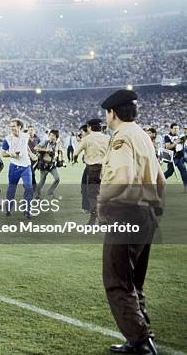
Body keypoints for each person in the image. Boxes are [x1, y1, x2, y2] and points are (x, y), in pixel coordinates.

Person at [98, 89, 164, 355]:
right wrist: (155, 208)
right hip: (145, 213)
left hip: (125, 214)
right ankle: (140, 336)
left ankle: (141, 342)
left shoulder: (122, 137)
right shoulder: (143, 136)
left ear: (112, 113)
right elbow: (159, 178)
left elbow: (123, 177)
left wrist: (102, 201)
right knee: (133, 281)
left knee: (118, 281)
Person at [73, 118, 110, 225]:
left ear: (89, 127)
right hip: (106, 169)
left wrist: (75, 160)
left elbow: (76, 153)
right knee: (103, 194)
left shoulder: (87, 139)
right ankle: (99, 219)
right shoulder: (107, 138)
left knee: (93, 195)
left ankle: (96, 219)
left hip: (93, 169)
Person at [1, 119, 35, 218]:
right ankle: (8, 209)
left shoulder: (26, 135)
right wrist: (11, 154)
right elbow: (3, 153)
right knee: (11, 189)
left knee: (29, 188)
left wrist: (31, 154)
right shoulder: (7, 139)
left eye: (14, 126)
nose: (12, 128)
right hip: (14, 167)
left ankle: (27, 211)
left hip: (26, 167)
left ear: (19, 127)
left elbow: (26, 146)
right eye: (11, 126)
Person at [33, 130, 61, 200]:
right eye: (50, 135)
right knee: (42, 181)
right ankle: (36, 195)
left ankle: (50, 191)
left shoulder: (57, 144)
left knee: (57, 179)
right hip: (44, 164)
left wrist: (59, 159)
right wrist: (46, 150)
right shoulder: (45, 142)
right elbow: (35, 148)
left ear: (56, 137)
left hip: (51, 165)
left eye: (53, 136)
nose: (51, 137)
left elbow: (58, 152)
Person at [163, 123, 187, 191]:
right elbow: (168, 147)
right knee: (169, 172)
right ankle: (159, 180)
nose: (177, 130)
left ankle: (186, 187)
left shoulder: (180, 136)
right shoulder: (167, 136)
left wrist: (183, 141)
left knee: (184, 172)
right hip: (172, 158)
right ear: (171, 129)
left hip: (180, 157)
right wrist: (175, 142)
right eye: (175, 128)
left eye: (178, 128)